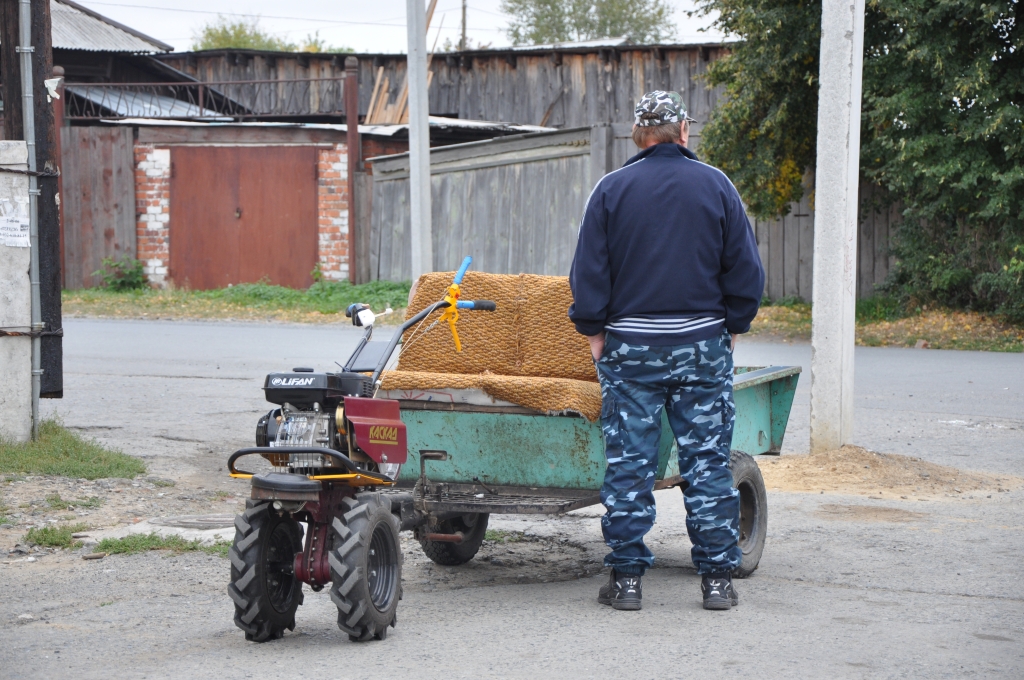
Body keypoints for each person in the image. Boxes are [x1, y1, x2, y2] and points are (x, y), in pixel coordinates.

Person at [568, 90, 764, 611]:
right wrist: (735, 324)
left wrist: (594, 331)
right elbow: (745, 269)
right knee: (707, 464)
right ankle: (717, 581)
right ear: (683, 130)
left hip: (630, 350)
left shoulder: (610, 189)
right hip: (702, 348)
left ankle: (627, 582)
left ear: (639, 134)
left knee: (629, 465)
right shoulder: (717, 185)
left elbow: (588, 272)